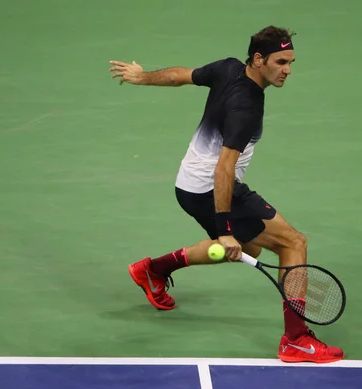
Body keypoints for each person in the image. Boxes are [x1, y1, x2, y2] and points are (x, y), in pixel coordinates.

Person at [109, 26, 344, 363]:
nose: (287, 70)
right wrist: (224, 228)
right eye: (281, 62)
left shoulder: (227, 67)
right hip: (212, 188)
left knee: (245, 246)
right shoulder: (246, 108)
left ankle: (154, 270)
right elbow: (224, 169)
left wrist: (141, 76)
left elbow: (179, 75)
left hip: (188, 185)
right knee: (292, 243)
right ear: (259, 59)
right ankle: (295, 340)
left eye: (291, 62)